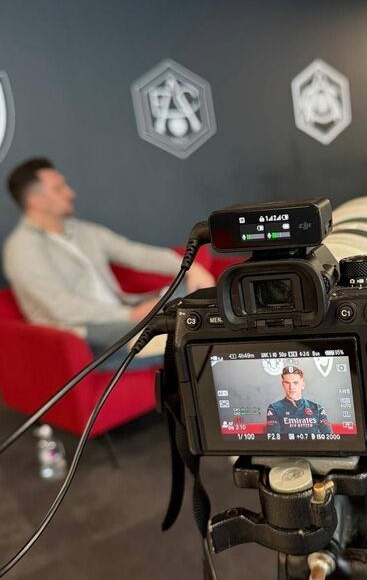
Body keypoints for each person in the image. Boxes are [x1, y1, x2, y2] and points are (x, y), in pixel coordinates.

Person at [2, 158, 215, 364]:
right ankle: (164, 343)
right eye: (59, 188)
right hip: (84, 330)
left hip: (122, 314)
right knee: (170, 331)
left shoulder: (83, 231)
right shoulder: (22, 248)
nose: (70, 193)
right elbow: (61, 307)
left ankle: (165, 341)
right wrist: (129, 314)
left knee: (190, 294)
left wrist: (191, 268)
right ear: (36, 200)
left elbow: (136, 253)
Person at [266, 366, 331, 436]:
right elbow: (274, 438)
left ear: (303, 385)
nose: (291, 387)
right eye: (287, 383)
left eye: (295, 383)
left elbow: (329, 437)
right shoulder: (274, 408)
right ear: (283, 385)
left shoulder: (317, 409)